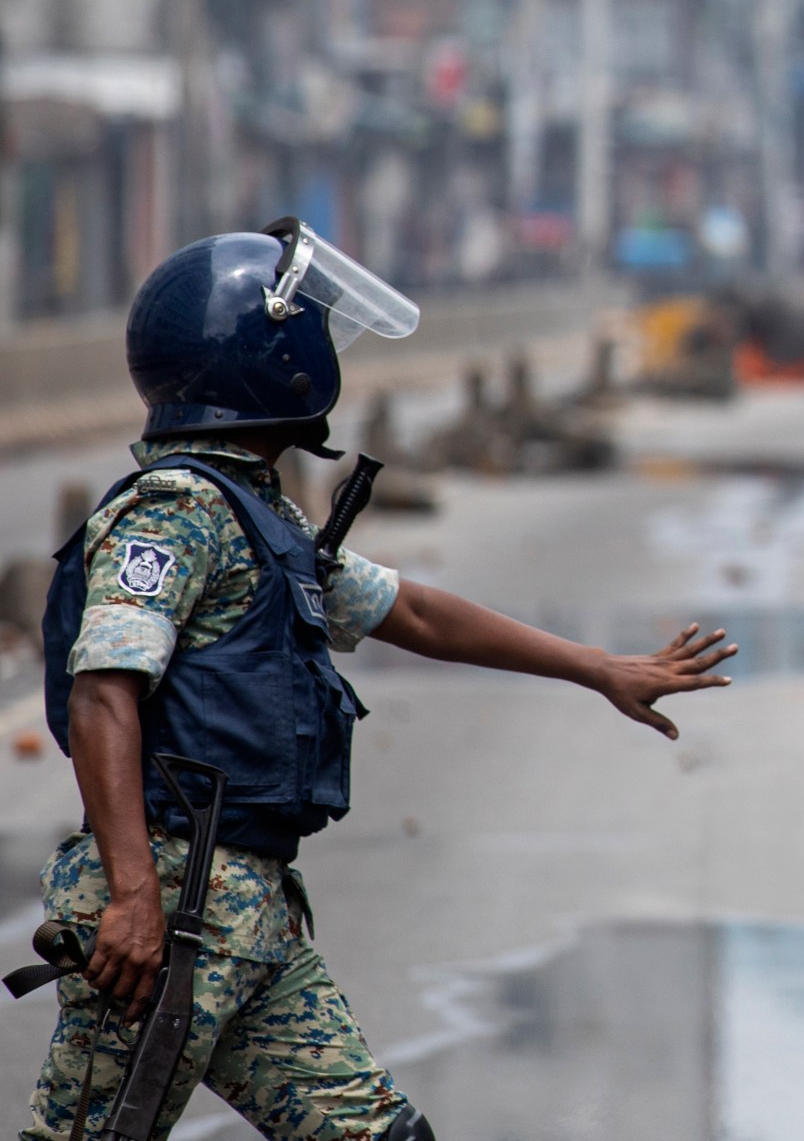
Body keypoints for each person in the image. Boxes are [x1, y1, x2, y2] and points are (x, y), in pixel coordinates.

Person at [22, 220, 737, 1141]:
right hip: (168, 912)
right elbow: (102, 695)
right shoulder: (178, 510)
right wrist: (130, 898)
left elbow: (417, 613)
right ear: (266, 356)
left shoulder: (259, 517)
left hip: (248, 919)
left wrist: (598, 668)